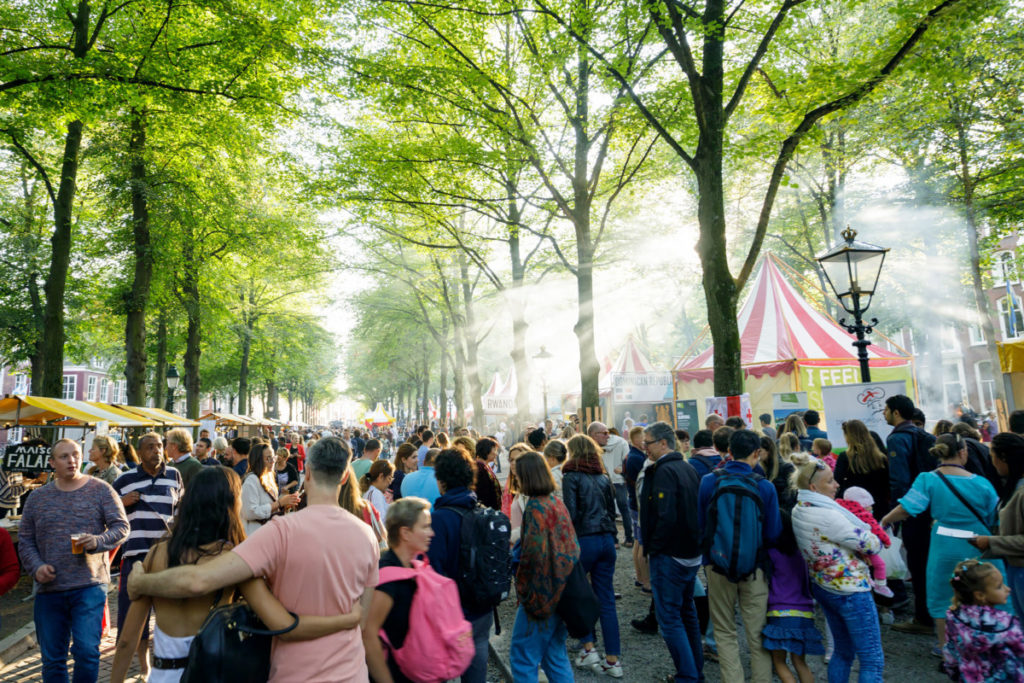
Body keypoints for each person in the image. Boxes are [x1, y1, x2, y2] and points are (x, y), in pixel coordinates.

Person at [128, 436, 381, 683]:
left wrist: (142, 584)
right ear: (345, 476)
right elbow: (363, 620)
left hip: (294, 673)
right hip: (352, 671)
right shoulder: (367, 535)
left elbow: (198, 580)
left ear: (309, 474)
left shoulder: (282, 531)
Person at [19, 439, 129, 683]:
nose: (72, 460)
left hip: (89, 585)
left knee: (87, 652)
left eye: (76, 454)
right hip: (50, 589)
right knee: (53, 659)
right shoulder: (38, 498)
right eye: (64, 456)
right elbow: (26, 540)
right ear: (52, 463)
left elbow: (122, 527)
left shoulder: (101, 489)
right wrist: (36, 567)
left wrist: (98, 541)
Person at [881, 432, 1003, 651]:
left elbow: (908, 508)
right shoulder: (982, 483)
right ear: (963, 452)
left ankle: (945, 647)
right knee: (983, 590)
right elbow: (995, 516)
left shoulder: (928, 479)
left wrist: (886, 520)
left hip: (944, 542)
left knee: (942, 594)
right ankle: (985, 642)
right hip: (979, 541)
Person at [791, 457, 884, 682]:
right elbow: (872, 543)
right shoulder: (829, 515)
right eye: (830, 481)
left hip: (825, 586)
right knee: (872, 659)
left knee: (842, 652)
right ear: (813, 487)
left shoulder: (800, 507)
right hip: (851, 590)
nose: (836, 485)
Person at [699, 429, 780, 683]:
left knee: (724, 630)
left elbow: (702, 525)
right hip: (755, 567)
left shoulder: (709, 481)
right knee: (757, 634)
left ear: (729, 451)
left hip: (717, 564)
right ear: (757, 453)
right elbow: (774, 533)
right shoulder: (765, 487)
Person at [112, 432, 184, 678]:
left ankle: (168, 665)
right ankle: (144, 667)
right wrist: (123, 502)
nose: (156, 450)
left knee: (169, 612)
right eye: (150, 447)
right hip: (136, 556)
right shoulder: (124, 480)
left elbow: (181, 511)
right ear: (140, 452)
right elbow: (109, 514)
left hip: (167, 556)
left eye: (160, 446)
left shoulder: (174, 475)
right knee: (134, 615)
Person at [640, 421, 704, 683]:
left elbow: (665, 516)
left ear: (663, 443)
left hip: (671, 554)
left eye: (648, 443)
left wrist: (654, 547)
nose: (645, 449)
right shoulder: (687, 467)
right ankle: (694, 671)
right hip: (690, 552)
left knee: (669, 617)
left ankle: (688, 675)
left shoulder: (665, 471)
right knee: (686, 612)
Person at [508, 452, 577, 683]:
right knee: (554, 655)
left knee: (523, 657)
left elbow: (532, 558)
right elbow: (574, 547)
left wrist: (525, 592)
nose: (515, 480)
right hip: (564, 591)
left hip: (542, 596)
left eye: (518, 475)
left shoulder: (536, 508)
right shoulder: (556, 502)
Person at [429, 449, 495, 683]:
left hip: (449, 610)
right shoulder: (483, 512)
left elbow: (432, 571)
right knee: (477, 664)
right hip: (481, 605)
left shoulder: (439, 519)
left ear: (441, 481)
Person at [562, 434, 622, 676]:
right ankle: (613, 660)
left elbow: (571, 513)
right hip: (607, 538)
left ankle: (589, 647)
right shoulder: (603, 477)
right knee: (606, 599)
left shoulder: (571, 476)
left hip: (585, 540)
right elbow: (610, 510)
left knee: (575, 593)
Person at [364, 497, 437, 683]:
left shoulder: (414, 566)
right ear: (405, 532)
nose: (431, 533)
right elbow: (369, 635)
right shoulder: (386, 576)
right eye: (425, 527)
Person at [884, 393, 937, 635]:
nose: (884, 414)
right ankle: (933, 614)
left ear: (896, 412)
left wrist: (898, 514)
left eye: (886, 410)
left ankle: (923, 618)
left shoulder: (897, 439)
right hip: (931, 508)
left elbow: (899, 480)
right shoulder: (924, 435)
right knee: (929, 563)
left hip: (913, 511)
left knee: (917, 563)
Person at [761, 510, 823, 683]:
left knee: (779, 661)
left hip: (780, 613)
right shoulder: (802, 552)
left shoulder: (772, 552)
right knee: (800, 662)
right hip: (805, 613)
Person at [941, 559, 1024, 682]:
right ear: (980, 595)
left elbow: (950, 650)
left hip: (969, 677)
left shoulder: (953, 616)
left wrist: (953, 672)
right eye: (999, 586)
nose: (1008, 589)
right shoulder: (1006, 623)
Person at [971, 431, 1024, 616]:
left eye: (993, 457)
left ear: (1003, 457)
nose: (992, 463)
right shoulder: (1015, 485)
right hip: (1015, 567)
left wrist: (992, 542)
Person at [836, 487, 893, 598]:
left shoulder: (840, 509)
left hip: (849, 546)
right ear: (864, 505)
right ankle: (881, 585)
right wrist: (886, 541)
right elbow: (877, 529)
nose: (871, 508)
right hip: (864, 544)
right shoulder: (864, 515)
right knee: (880, 564)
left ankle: (869, 579)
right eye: (870, 505)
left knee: (861, 565)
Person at [588, 421, 632, 548]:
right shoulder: (622, 442)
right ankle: (628, 538)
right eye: (604, 433)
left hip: (605, 481)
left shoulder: (593, 445)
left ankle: (615, 540)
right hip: (617, 480)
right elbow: (626, 461)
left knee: (609, 510)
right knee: (622, 509)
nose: (607, 436)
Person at [834, 419, 890, 519]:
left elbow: (837, 480)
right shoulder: (881, 457)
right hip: (879, 504)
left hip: (854, 506)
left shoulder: (845, 457)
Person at [241, 442, 300, 536]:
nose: (273, 461)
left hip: (268, 533)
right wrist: (279, 503)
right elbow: (249, 512)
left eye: (273, 457)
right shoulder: (251, 481)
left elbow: (271, 504)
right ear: (258, 460)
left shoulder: (268, 476)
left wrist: (285, 502)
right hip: (255, 536)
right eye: (269, 458)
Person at [473, 437, 503, 511]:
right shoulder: (479, 468)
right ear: (486, 450)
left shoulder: (485, 466)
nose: (496, 453)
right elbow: (482, 493)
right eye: (495, 450)